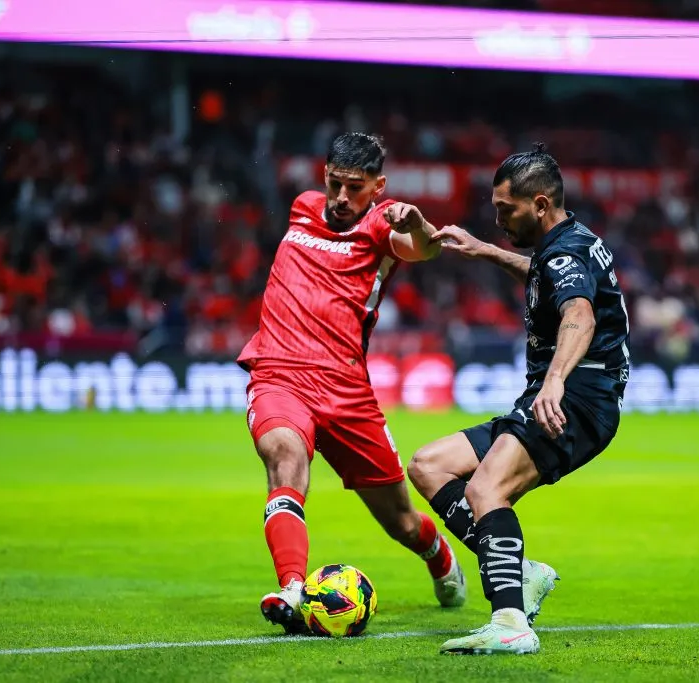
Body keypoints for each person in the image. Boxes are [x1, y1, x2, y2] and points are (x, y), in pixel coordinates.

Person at [407, 145, 631, 654]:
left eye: (507, 209)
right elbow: (544, 276)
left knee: (487, 490)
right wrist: (483, 249)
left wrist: (553, 383)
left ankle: (509, 623)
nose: (498, 217)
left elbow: (579, 314)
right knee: (428, 465)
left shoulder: (566, 252)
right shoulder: (565, 244)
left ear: (541, 204)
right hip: (563, 393)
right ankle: (519, 570)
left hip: (576, 398)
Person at [237, 133, 465, 634]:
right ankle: (293, 589)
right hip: (279, 371)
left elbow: (424, 250)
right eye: (335, 184)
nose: (342, 198)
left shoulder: (382, 224)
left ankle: (438, 554)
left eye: (355, 188)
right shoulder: (303, 208)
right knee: (285, 458)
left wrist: (419, 225)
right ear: (325, 177)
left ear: (378, 187)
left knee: (402, 521)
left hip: (346, 389)